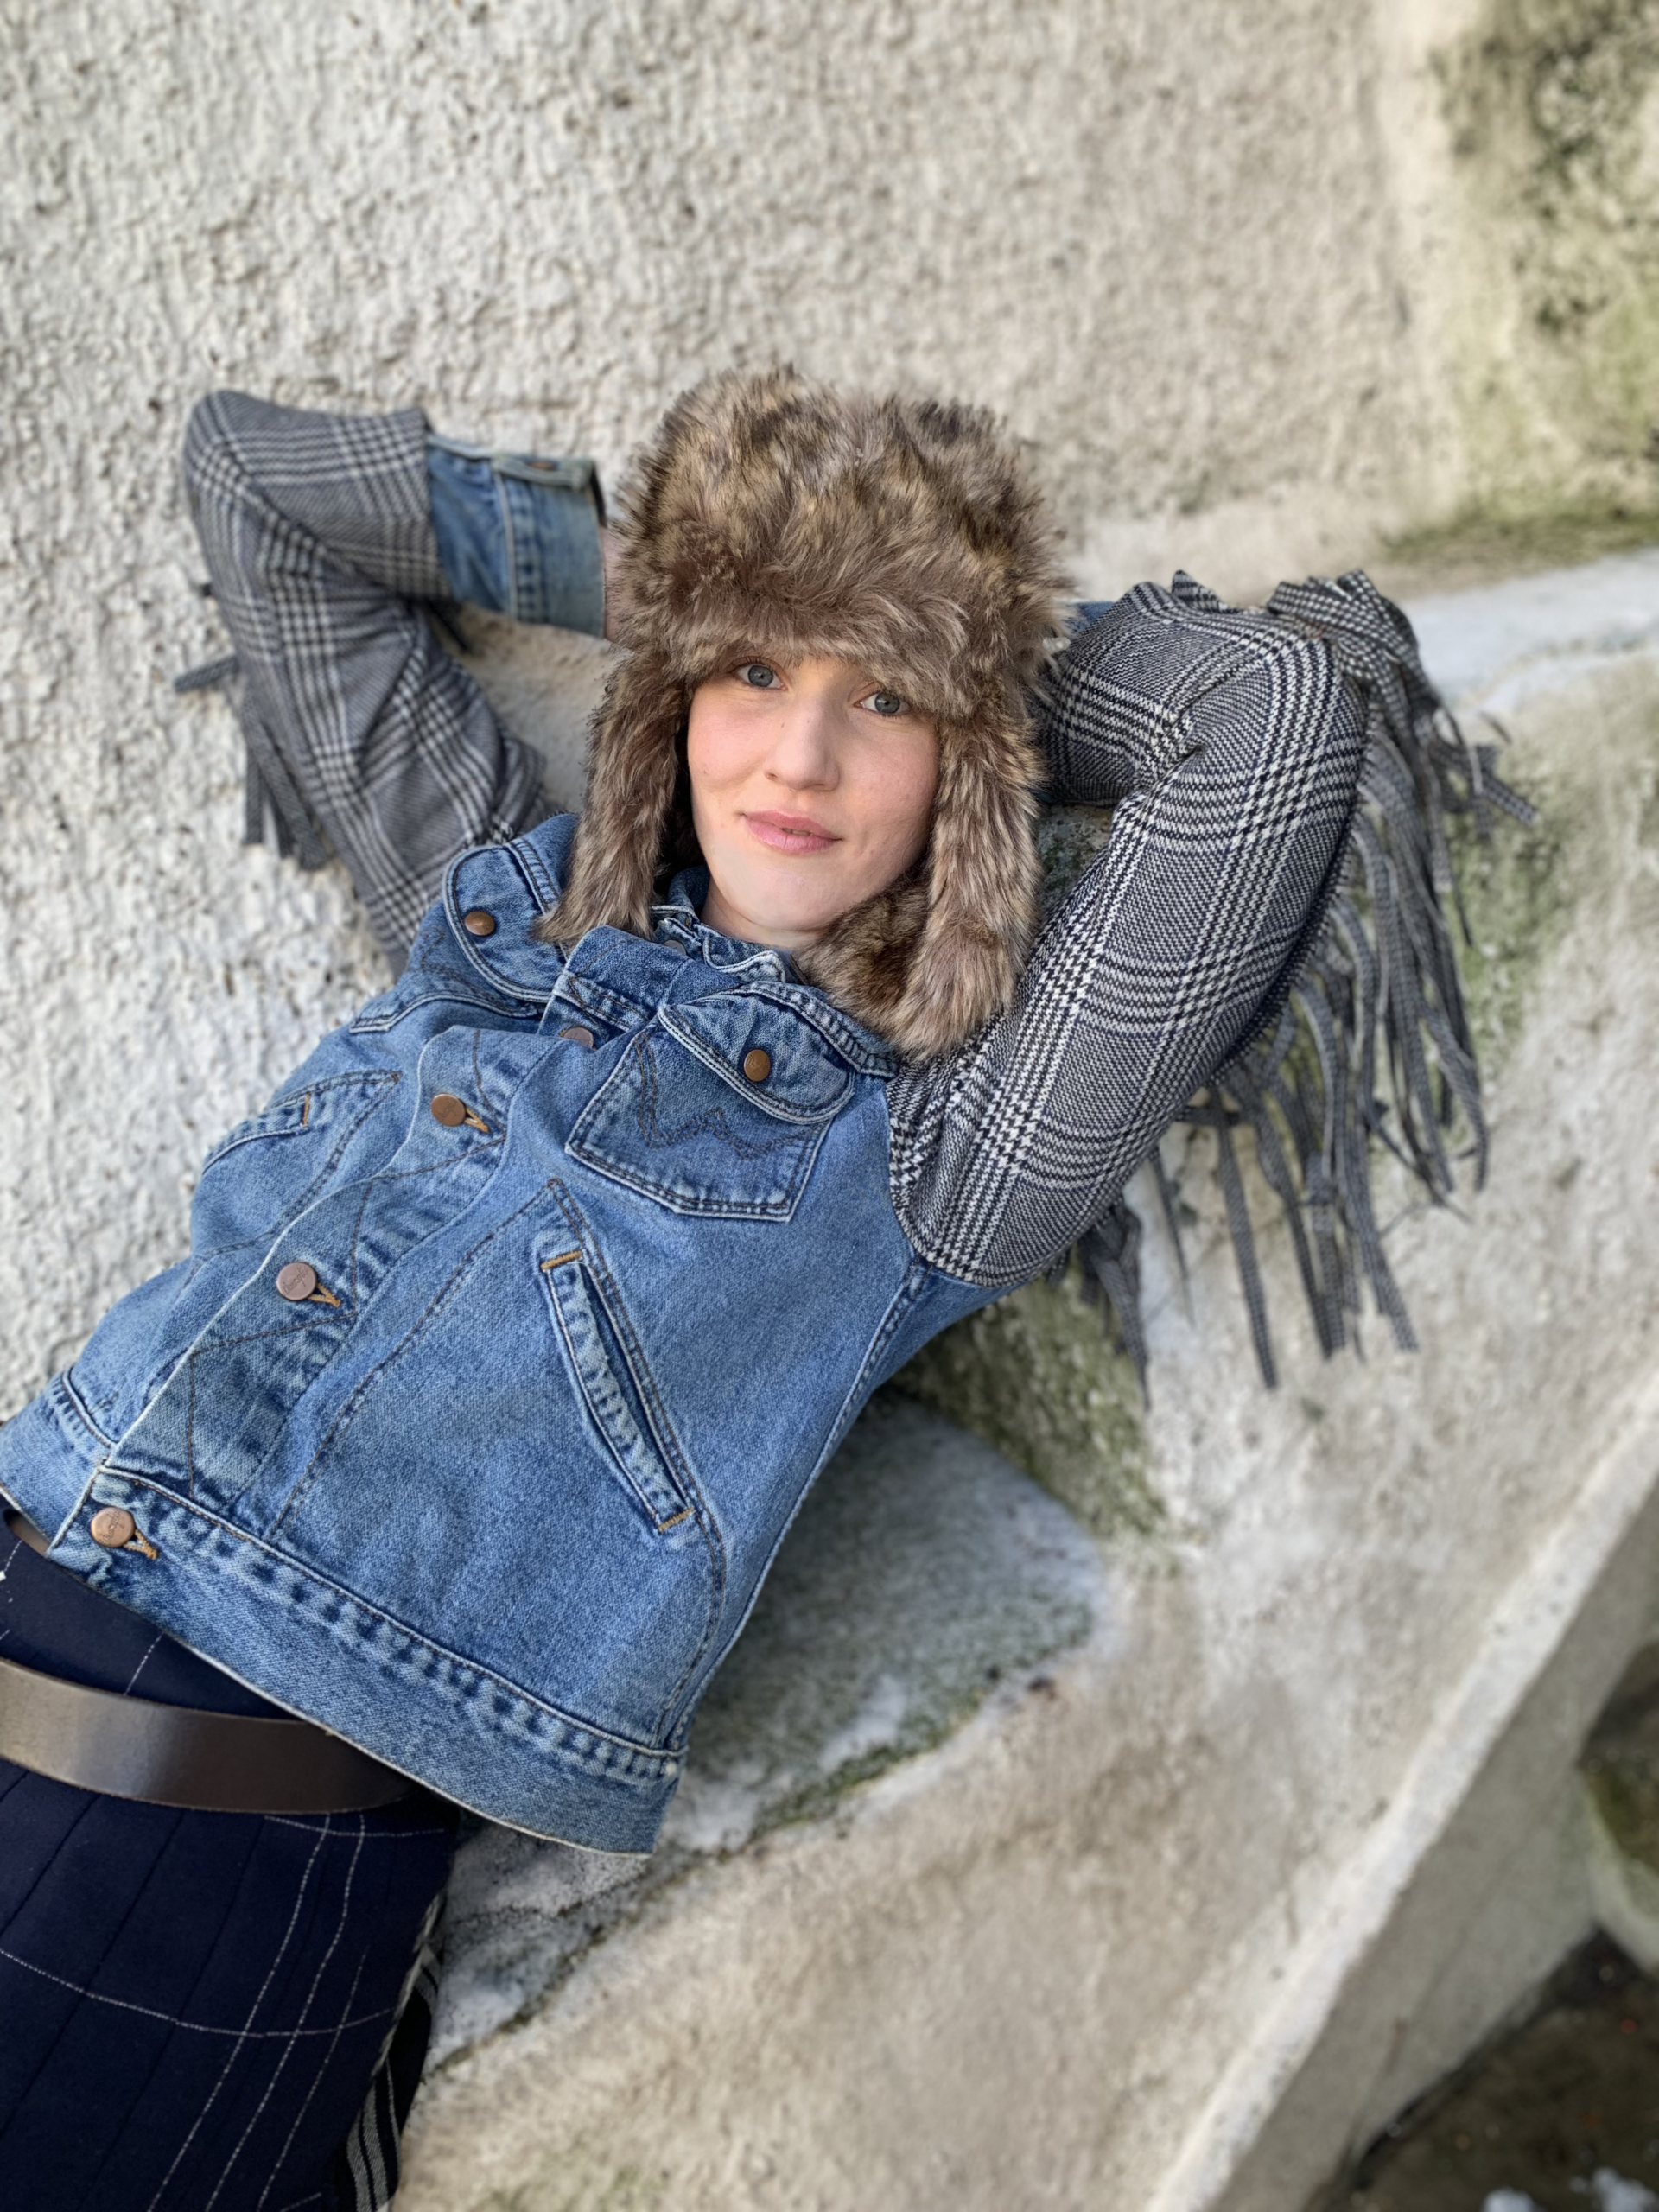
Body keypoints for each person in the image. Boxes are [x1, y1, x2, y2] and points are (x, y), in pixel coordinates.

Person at [0, 369, 1505, 2209]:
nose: (798, 760)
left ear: (968, 754)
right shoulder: (497, 897)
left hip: (179, 1856)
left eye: (886, 703)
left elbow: (1265, 722)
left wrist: (948, 626)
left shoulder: (939, 1156)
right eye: (752, 672)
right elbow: (256, 481)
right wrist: (715, 571)